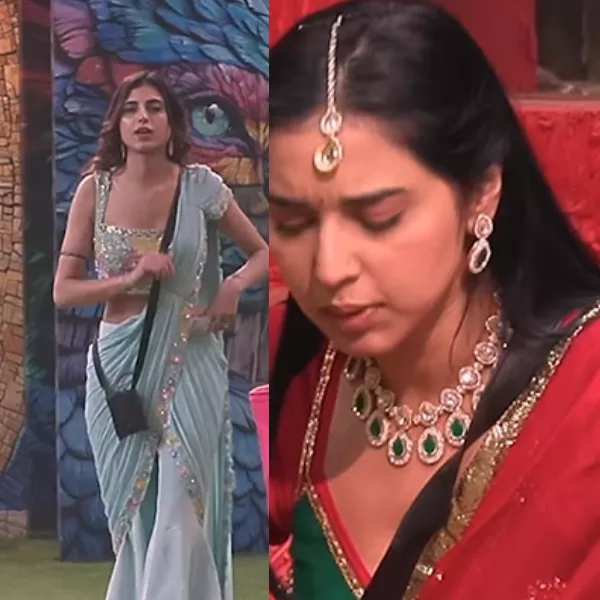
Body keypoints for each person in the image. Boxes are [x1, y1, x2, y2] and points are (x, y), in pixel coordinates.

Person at [268, 2, 600, 599]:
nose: (329, 269)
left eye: (379, 218)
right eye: (293, 223)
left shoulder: (585, 399)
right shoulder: (289, 382)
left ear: (482, 193)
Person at [53, 70, 268, 600]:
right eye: (131, 109)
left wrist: (232, 287)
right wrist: (128, 278)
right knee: (135, 513)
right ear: (117, 123)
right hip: (118, 366)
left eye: (154, 108)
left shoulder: (202, 188)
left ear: (172, 123)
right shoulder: (94, 191)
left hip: (191, 356)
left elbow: (264, 253)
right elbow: (64, 291)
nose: (142, 119)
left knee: (182, 504)